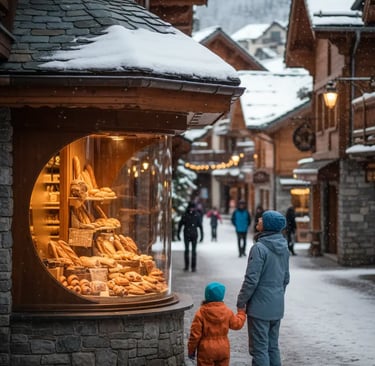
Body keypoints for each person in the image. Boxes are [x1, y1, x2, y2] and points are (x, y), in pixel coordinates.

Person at [236, 210, 290, 366]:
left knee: (259, 349)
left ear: (268, 226)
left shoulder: (259, 248)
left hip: (259, 307)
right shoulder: (284, 247)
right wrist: (277, 296)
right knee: (272, 347)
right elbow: (285, 278)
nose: (259, 219)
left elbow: (251, 280)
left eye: (262, 219)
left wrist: (241, 301)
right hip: (276, 305)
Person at [188, 282, 246, 366]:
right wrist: (241, 313)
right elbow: (237, 324)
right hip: (223, 348)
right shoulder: (227, 311)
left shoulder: (201, 312)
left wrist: (191, 350)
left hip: (206, 350)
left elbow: (194, 335)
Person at [177, 202, 204, 272]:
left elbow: (200, 226)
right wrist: (178, 234)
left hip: (194, 235)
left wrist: (202, 236)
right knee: (187, 250)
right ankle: (186, 266)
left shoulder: (197, 215)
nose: (191, 209)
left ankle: (193, 267)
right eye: (190, 207)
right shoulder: (185, 215)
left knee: (193, 251)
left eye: (193, 207)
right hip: (187, 234)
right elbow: (180, 225)